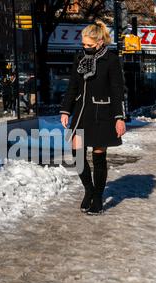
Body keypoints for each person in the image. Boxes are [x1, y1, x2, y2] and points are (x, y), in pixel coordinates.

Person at [60, 20, 127, 215]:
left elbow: (117, 90)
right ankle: (89, 190)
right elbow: (73, 84)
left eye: (89, 45)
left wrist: (119, 117)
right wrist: (66, 110)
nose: (85, 48)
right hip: (82, 111)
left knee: (99, 157)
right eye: (84, 45)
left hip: (103, 113)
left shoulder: (111, 59)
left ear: (99, 43)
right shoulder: (80, 57)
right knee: (77, 153)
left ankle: (98, 198)